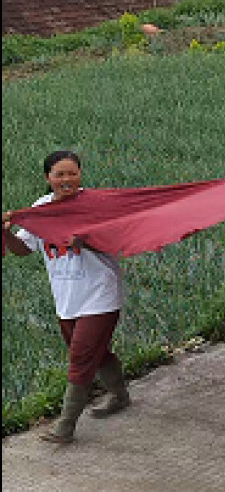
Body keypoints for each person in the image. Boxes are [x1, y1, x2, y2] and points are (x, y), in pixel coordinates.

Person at [2, 151, 130, 443]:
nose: (67, 180)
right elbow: (24, 249)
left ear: (80, 174)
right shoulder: (41, 209)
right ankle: (120, 396)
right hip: (67, 298)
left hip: (101, 294)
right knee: (93, 353)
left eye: (72, 173)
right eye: (59, 175)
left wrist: (88, 243)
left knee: (81, 356)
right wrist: (7, 235)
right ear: (48, 178)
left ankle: (65, 425)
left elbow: (120, 241)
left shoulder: (94, 205)